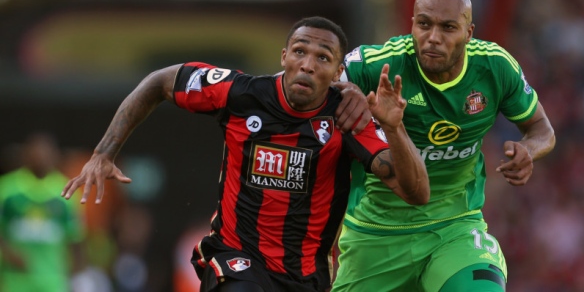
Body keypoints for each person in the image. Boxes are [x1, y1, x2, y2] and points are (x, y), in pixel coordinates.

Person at [61, 16, 430, 292]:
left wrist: (395, 129)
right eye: (300, 51)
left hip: (304, 277)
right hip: (235, 260)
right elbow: (160, 81)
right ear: (284, 55)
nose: (307, 64)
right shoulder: (240, 94)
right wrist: (103, 153)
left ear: (338, 71)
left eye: (322, 57)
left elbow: (416, 192)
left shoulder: (347, 116)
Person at [331, 0, 556, 291]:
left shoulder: (495, 67)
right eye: (424, 24)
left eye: (448, 27)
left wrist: (529, 149)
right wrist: (344, 92)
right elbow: (307, 84)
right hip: (376, 232)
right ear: (412, 24)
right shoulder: (376, 64)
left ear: (468, 32)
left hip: (455, 227)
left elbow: (542, 130)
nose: (433, 38)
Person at [0, 132, 86, 292]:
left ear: (55, 156)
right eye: (35, 151)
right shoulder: (7, 190)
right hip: (15, 280)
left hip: (52, 281)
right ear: (25, 155)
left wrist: (78, 277)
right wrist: (8, 253)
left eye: (45, 152)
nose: (40, 156)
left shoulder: (65, 192)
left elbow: (75, 238)